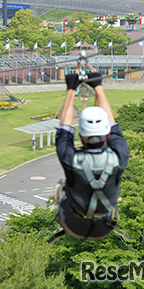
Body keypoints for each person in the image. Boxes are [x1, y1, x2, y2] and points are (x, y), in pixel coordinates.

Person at [50, 72, 129, 242]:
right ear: (106, 134)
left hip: (72, 223)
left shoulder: (71, 159)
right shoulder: (119, 157)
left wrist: (71, 88)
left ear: (80, 136)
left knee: (61, 186)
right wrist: (98, 87)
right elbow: (113, 124)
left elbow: (64, 127)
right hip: (106, 225)